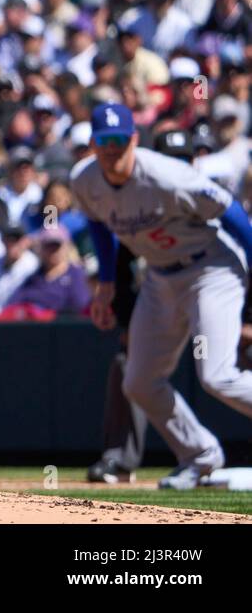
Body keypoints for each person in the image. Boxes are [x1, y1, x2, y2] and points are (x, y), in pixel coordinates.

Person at [72, 102, 252, 489]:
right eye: (105, 141)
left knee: (217, 376)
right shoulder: (84, 180)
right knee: (138, 381)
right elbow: (99, 226)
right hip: (160, 277)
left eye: (121, 139)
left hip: (211, 269)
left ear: (134, 139)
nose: (113, 148)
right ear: (93, 143)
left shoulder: (167, 176)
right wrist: (106, 286)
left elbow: (233, 214)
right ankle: (200, 456)